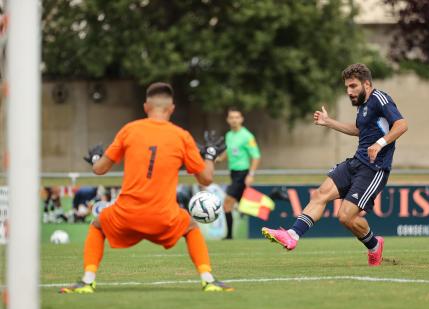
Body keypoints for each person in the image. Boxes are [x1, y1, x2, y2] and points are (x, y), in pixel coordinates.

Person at [60, 82, 233, 293]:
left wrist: (96, 157)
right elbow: (206, 179)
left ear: (145, 107)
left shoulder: (129, 130)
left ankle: (87, 281)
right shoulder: (181, 136)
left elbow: (99, 169)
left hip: (126, 214)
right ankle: (208, 280)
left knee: (97, 226)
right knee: (191, 227)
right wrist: (210, 156)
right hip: (164, 216)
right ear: (172, 109)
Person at [262, 63, 408, 266]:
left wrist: (380, 143)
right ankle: (292, 235)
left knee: (345, 217)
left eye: (353, 86)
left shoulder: (380, 99)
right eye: (347, 87)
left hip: (374, 168)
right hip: (357, 162)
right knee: (320, 193)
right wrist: (328, 121)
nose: (349, 91)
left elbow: (402, 124)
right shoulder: (363, 105)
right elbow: (359, 130)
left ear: (367, 84)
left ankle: (374, 245)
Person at [216, 108, 261, 239]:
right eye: (231, 117)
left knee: (227, 202)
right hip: (233, 173)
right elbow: (227, 152)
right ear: (228, 120)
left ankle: (229, 236)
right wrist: (217, 158)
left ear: (241, 119)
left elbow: (256, 156)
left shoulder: (247, 136)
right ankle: (274, 197)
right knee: (246, 205)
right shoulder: (229, 135)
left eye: (236, 117)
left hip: (243, 173)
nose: (234, 120)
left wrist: (251, 174)